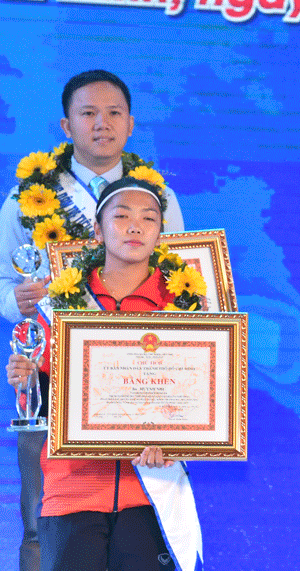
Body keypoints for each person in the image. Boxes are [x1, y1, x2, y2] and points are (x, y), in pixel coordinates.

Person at [0, 69, 184, 571]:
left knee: (145, 531)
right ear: (66, 125)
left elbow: (181, 287)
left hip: (147, 381)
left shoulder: (158, 200)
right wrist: (19, 298)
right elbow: (0, 283)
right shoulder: (25, 201)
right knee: (48, 520)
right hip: (55, 380)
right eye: (88, 113)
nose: (101, 124)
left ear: (130, 124)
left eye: (113, 113)